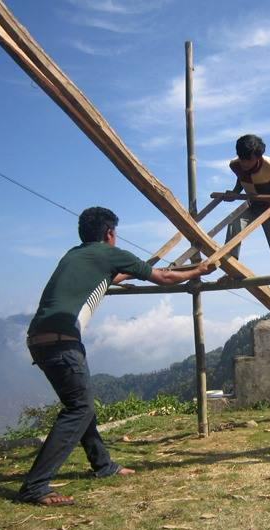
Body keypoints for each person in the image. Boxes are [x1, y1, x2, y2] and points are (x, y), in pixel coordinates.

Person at [18, 207, 214, 506]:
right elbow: (161, 277)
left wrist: (124, 275)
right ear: (109, 233)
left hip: (40, 340)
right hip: (63, 342)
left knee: (81, 405)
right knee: (80, 409)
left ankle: (102, 465)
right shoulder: (109, 253)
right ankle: (35, 485)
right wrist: (197, 271)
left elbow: (109, 277)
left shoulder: (75, 255)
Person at [222, 134, 270, 310]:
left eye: (249, 160)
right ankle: (231, 269)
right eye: (243, 159)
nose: (245, 163)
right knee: (235, 224)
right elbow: (242, 179)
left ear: (259, 156)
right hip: (253, 204)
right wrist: (235, 192)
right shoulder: (235, 164)